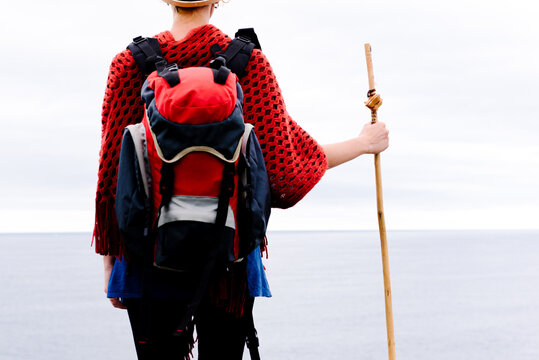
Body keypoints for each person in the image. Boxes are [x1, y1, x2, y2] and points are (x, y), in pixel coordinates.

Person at [94, 0, 389, 358]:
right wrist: (361, 144)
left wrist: (110, 256)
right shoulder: (248, 63)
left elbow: (111, 173)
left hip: (145, 257)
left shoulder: (129, 64)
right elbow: (285, 175)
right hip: (228, 265)